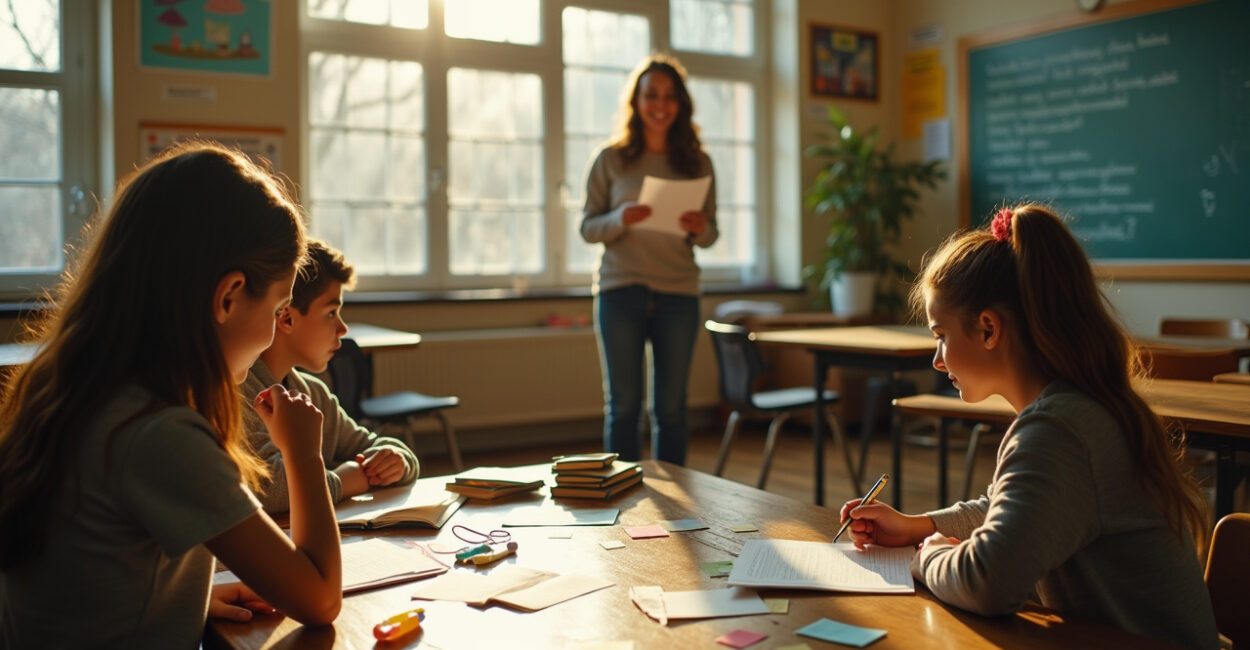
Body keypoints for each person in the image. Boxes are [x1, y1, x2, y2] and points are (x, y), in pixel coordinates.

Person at [0, 142, 343, 647]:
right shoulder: (158, 431)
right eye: (276, 312)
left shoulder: (64, 385)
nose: (274, 332)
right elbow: (319, 599)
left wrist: (187, 599)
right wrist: (305, 454)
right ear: (228, 297)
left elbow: (82, 572)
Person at [838, 204, 1218, 649]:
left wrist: (928, 556)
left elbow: (989, 582)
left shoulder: (1059, 429)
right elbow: (1017, 511)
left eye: (941, 335)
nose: (937, 360)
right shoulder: (1079, 406)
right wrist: (918, 526)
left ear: (988, 329)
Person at [580, 53, 718, 465]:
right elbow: (588, 227)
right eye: (651, 95)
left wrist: (698, 226)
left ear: (681, 104)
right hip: (620, 291)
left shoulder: (698, 162)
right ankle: (619, 499)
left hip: (678, 293)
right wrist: (620, 218)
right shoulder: (611, 158)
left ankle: (674, 502)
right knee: (623, 407)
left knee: (671, 410)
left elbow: (711, 234)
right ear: (636, 101)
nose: (660, 104)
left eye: (670, 96)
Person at [242, 239, 419, 515]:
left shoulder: (313, 393)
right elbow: (269, 489)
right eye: (331, 313)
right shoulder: (242, 391)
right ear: (287, 318)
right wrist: (346, 481)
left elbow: (371, 444)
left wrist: (397, 460)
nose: (343, 328)